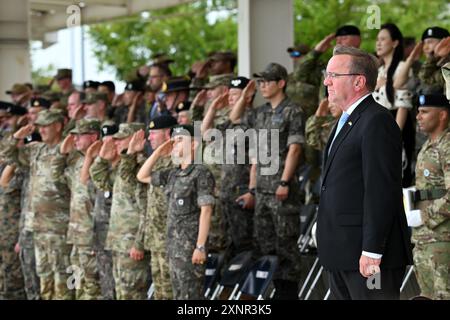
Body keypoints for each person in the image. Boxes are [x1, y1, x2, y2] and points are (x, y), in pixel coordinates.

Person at [317, 45, 413, 300]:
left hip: (367, 255)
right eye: (327, 75)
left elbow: (381, 190)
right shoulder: (347, 119)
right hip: (342, 251)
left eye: (334, 76)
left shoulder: (376, 120)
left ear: (359, 81)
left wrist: (372, 250)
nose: (327, 81)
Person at [229, 63, 305, 299]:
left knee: (286, 253)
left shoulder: (293, 110)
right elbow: (234, 117)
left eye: (267, 81)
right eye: (260, 82)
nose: (262, 85)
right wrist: (245, 95)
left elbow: (294, 150)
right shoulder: (260, 113)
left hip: (281, 192)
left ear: (281, 83)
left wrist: (284, 182)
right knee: (264, 250)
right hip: (261, 190)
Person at [2, 109, 74, 300]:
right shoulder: (36, 150)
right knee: (45, 283)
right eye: (39, 126)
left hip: (60, 228)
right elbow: (7, 154)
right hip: (38, 228)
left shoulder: (68, 151)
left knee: (64, 283)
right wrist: (17, 135)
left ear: (58, 126)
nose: (41, 130)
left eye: (45, 126)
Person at [139, 124, 215, 300]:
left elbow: (206, 210)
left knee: (191, 298)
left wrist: (201, 246)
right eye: (174, 141)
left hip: (190, 250)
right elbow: (142, 176)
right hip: (173, 248)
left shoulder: (200, 173)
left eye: (180, 140)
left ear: (194, 145)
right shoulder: (173, 174)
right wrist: (158, 152)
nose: (175, 145)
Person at [407, 93, 449, 300]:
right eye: (418, 112)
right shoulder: (428, 145)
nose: (418, 116)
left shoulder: (447, 145)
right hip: (424, 239)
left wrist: (426, 216)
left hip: (442, 239)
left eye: (425, 112)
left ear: (442, 115)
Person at [135, 115, 178, 299]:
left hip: (171, 240)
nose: (149, 137)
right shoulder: (156, 161)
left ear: (168, 134)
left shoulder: (177, 163)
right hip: (155, 239)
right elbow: (138, 177)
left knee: (171, 292)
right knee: (160, 292)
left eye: (153, 133)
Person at [372, 23, 414, 187]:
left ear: (395, 43)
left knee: (396, 178)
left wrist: (394, 135)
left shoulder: (402, 68)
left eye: (383, 39)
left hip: (396, 125)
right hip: (378, 127)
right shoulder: (379, 70)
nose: (378, 43)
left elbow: (403, 103)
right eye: (377, 39)